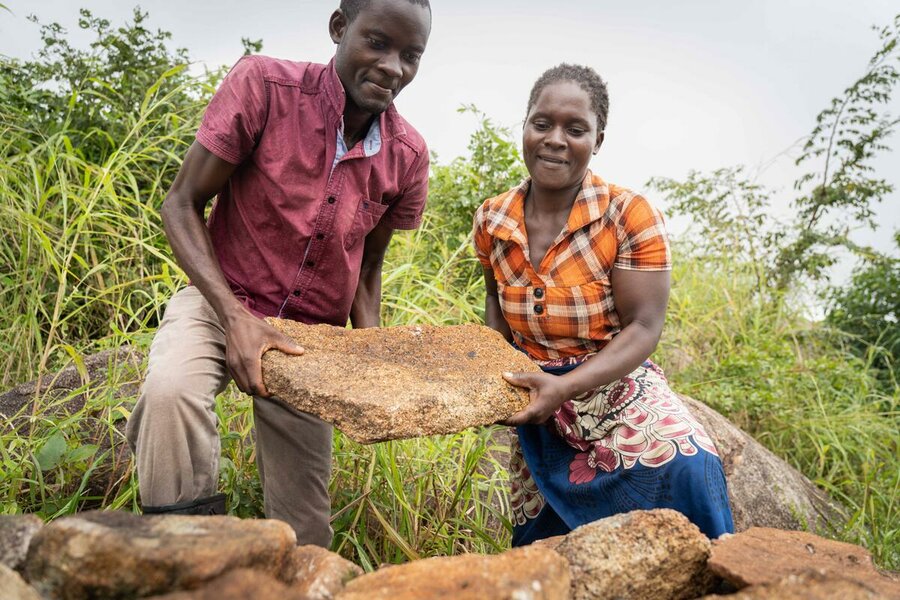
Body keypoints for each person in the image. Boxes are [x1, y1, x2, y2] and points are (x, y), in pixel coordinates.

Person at [125, 0, 432, 547]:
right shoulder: (265, 86)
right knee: (171, 394)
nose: (393, 67)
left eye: (411, 55)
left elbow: (367, 268)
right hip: (223, 297)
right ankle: (186, 556)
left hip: (309, 340)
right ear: (339, 28)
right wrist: (235, 318)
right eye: (378, 43)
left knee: (306, 532)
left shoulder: (406, 154)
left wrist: (379, 366)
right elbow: (181, 205)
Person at [472, 64, 734, 545]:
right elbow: (495, 301)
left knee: (689, 468)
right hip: (536, 393)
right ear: (525, 125)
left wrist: (566, 386)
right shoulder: (493, 217)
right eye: (541, 123)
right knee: (545, 538)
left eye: (575, 130)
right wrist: (498, 376)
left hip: (614, 387)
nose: (554, 139)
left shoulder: (628, 213)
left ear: (599, 140)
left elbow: (644, 327)